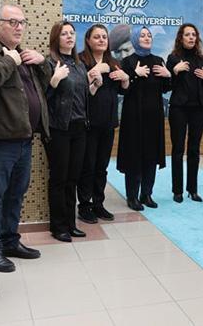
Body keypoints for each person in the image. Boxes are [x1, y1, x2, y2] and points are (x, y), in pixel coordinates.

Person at [0, 5, 49, 272]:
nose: (19, 27)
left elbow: (46, 86)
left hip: (24, 139)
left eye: (22, 22)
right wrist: (10, 61)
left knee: (16, 194)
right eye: (12, 22)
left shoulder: (22, 54)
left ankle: (9, 241)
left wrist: (42, 62)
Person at [77, 24, 130, 223]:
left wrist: (125, 79)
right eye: (97, 37)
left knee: (102, 167)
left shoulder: (114, 62)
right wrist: (96, 70)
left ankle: (98, 203)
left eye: (104, 37)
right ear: (88, 40)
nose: (101, 40)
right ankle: (85, 206)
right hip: (88, 123)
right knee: (88, 167)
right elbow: (78, 90)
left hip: (108, 123)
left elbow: (122, 91)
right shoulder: (80, 61)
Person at [117, 26, 172, 211]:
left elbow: (165, 88)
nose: (147, 38)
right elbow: (122, 90)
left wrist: (168, 75)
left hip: (154, 118)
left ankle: (146, 194)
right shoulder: (127, 62)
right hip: (133, 118)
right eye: (142, 35)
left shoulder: (158, 61)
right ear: (135, 39)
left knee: (151, 156)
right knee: (134, 156)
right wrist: (134, 75)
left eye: (149, 35)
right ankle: (132, 196)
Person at [43, 21, 90, 243]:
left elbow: (81, 96)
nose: (70, 36)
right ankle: (58, 226)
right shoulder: (50, 63)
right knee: (59, 179)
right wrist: (54, 80)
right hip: (59, 128)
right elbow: (42, 98)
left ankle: (71, 223)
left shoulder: (79, 65)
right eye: (64, 34)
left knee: (73, 178)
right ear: (56, 38)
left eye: (72, 33)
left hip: (80, 127)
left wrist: (94, 86)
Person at [166, 23, 203, 203]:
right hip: (179, 108)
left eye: (194, 34)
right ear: (181, 38)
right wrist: (174, 72)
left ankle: (192, 190)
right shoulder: (173, 58)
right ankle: (177, 190)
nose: (191, 37)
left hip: (198, 109)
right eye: (187, 34)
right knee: (178, 149)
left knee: (194, 149)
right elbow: (168, 85)